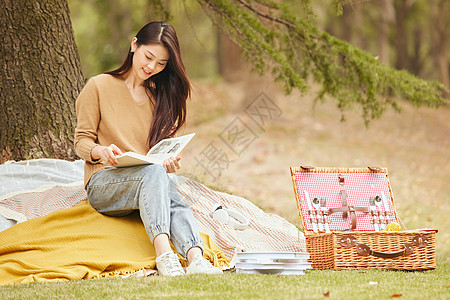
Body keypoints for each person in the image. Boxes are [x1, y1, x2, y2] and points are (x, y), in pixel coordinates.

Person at [74, 21, 222, 276]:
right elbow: (81, 142)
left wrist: (168, 161)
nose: (151, 67)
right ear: (134, 45)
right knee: (155, 176)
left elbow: (155, 154)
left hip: (146, 179)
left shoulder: (157, 97)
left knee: (161, 176)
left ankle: (195, 258)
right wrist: (101, 152)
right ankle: (164, 254)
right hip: (104, 183)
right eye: (148, 56)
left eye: (161, 63)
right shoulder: (98, 86)